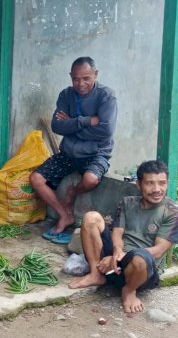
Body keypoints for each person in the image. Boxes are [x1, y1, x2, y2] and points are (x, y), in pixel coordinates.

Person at [69, 160, 178, 314]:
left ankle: (129, 291)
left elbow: (158, 251)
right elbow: (117, 232)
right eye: (150, 183)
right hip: (116, 261)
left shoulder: (174, 212)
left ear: (167, 183)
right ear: (139, 184)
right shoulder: (127, 203)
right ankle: (96, 274)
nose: (157, 189)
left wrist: (121, 257)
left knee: (139, 258)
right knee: (91, 217)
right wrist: (116, 253)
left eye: (162, 183)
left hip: (141, 271)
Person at [30, 57, 117, 244]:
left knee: (91, 179)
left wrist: (71, 124)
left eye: (86, 78)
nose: (81, 84)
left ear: (96, 74)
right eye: (76, 79)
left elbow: (105, 130)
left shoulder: (106, 96)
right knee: (36, 178)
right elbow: (56, 126)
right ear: (70, 77)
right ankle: (64, 215)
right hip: (69, 153)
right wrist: (85, 121)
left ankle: (72, 193)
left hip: (96, 153)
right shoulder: (66, 95)